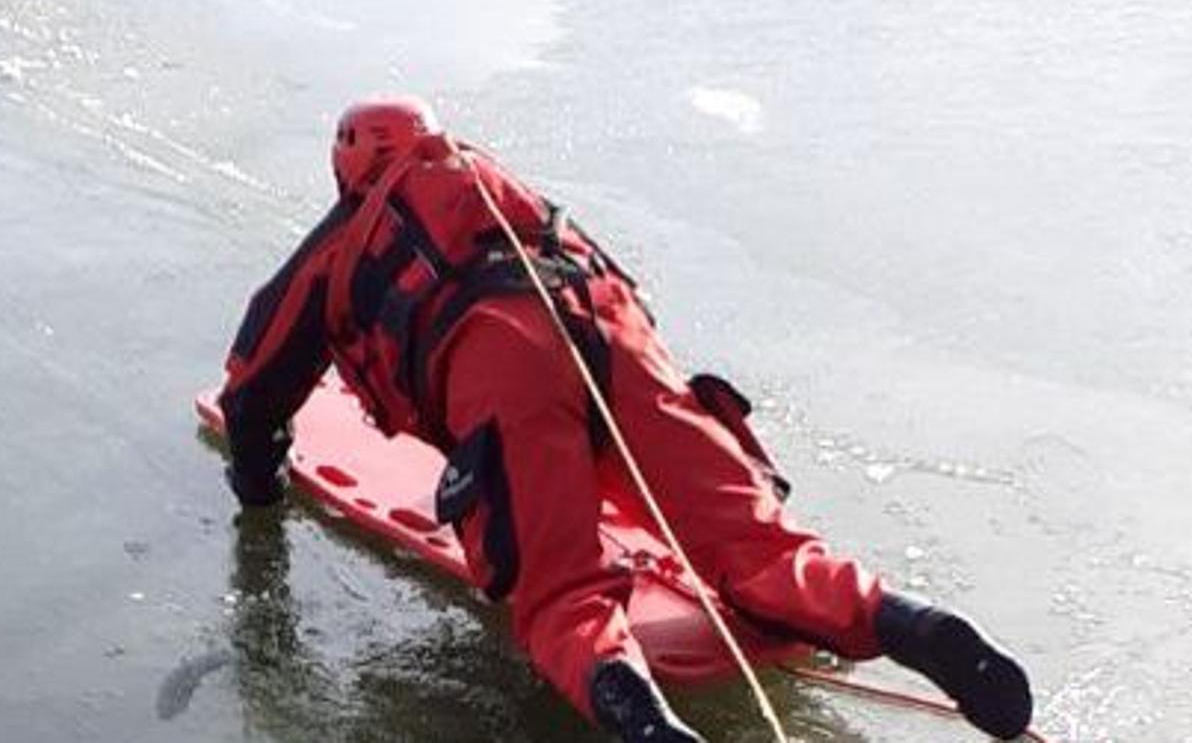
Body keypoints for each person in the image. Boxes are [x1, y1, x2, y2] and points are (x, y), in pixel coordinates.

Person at [216, 95, 1034, 742]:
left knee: (561, 596)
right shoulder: (499, 189)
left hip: (501, 361)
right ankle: (907, 621)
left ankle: (648, 728)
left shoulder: (342, 241)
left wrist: (259, 486)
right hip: (614, 330)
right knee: (758, 548)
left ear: (347, 166)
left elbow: (254, 382)